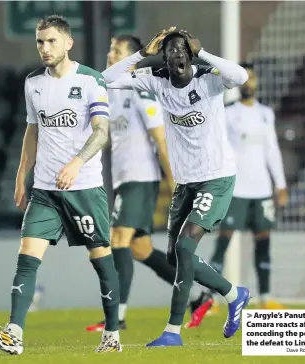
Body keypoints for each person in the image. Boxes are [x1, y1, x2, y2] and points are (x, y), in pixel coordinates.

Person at [0, 15, 122, 354]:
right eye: (40, 42)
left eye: (51, 41)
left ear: (68, 43)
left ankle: (113, 334)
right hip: (45, 189)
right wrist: (21, 174)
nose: (44, 48)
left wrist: (76, 163)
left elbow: (102, 131)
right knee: (27, 257)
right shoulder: (33, 83)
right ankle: (14, 333)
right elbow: (33, 130)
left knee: (102, 260)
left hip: (84, 188)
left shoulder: (91, 80)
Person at [102, 28, 251, 347]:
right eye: (170, 52)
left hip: (217, 177)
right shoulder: (156, 80)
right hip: (186, 183)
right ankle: (234, 294)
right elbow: (107, 79)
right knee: (174, 257)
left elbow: (239, 76)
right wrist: (143, 54)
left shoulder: (208, 79)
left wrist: (205, 53)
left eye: (183, 51)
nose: (177, 56)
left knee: (185, 249)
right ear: (165, 59)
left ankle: (172, 332)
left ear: (191, 54)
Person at [86, 35, 202, 332]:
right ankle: (199, 298)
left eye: (116, 50)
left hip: (141, 177)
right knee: (140, 249)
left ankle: (118, 317)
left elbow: (159, 138)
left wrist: (175, 180)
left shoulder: (140, 88)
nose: (110, 54)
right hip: (125, 179)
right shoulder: (111, 90)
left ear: (130, 56)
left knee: (118, 240)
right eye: (110, 48)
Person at [186, 63, 288, 329]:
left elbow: (272, 151)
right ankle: (209, 299)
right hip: (236, 188)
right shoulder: (228, 112)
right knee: (224, 243)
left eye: (253, 78)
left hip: (262, 189)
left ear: (257, 83)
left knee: (263, 241)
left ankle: (266, 298)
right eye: (246, 78)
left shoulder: (266, 114)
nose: (249, 83)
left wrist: (280, 184)